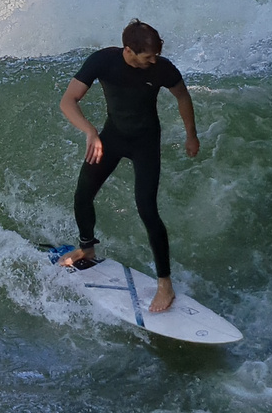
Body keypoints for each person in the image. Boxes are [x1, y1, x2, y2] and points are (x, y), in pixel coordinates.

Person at [56, 20, 201, 314]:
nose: (154, 60)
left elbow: (182, 96)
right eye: (148, 55)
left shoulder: (162, 68)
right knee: (83, 193)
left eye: (156, 54)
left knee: (147, 208)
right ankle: (87, 247)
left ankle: (165, 284)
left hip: (145, 141)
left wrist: (191, 134)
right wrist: (90, 132)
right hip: (112, 137)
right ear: (129, 51)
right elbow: (68, 101)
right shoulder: (103, 61)